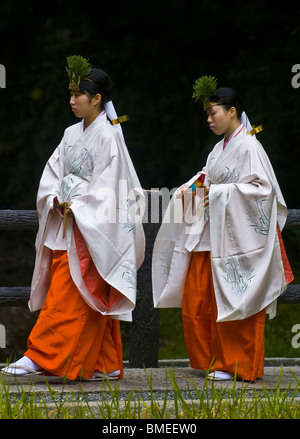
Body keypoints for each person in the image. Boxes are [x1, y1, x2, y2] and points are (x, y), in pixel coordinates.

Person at [2, 56, 145, 380]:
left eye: (78, 94)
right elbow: (53, 171)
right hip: (67, 220)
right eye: (70, 94)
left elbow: (111, 187)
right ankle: (105, 361)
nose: (71, 100)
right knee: (79, 292)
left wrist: (77, 204)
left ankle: (40, 354)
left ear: (97, 99)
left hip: (88, 223)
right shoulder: (70, 134)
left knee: (69, 294)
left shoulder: (109, 137)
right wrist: (54, 198)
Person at [152, 76, 293, 381]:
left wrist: (216, 193)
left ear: (232, 112)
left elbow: (262, 191)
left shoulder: (250, 147)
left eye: (213, 112)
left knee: (236, 296)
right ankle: (210, 360)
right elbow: (207, 176)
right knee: (196, 300)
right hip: (211, 233)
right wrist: (190, 187)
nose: (209, 119)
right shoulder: (218, 149)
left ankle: (236, 364)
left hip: (239, 239)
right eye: (206, 114)